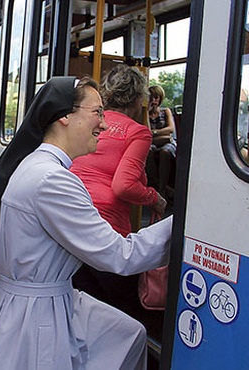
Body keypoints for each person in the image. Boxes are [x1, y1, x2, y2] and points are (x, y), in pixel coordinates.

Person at [0, 76, 172, 370]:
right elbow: (121, 255)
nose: (104, 124)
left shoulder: (34, 165)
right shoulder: (53, 180)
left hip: (26, 307)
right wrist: (182, 224)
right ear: (65, 116)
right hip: (37, 318)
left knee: (128, 333)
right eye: (97, 113)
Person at [70, 65, 167, 320]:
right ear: (138, 99)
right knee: (124, 316)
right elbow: (124, 186)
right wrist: (154, 198)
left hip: (72, 225)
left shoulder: (91, 123)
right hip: (107, 233)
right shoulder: (137, 132)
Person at [147, 85, 176, 199]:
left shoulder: (165, 111)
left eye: (156, 97)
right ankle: (160, 186)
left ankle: (162, 189)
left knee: (165, 152)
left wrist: (154, 133)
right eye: (151, 98)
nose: (153, 100)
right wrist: (147, 112)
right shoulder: (145, 114)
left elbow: (170, 129)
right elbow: (147, 131)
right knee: (147, 151)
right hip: (153, 143)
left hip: (166, 143)